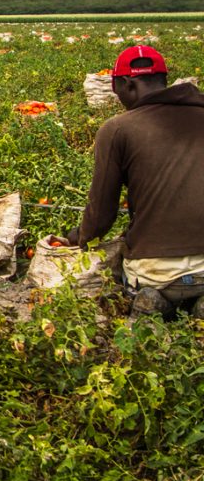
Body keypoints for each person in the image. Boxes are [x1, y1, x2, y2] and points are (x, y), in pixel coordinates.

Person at [65, 45, 204, 318]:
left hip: (156, 269)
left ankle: (154, 301)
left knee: (138, 286)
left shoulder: (118, 129)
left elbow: (102, 215)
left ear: (125, 84)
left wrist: (78, 237)